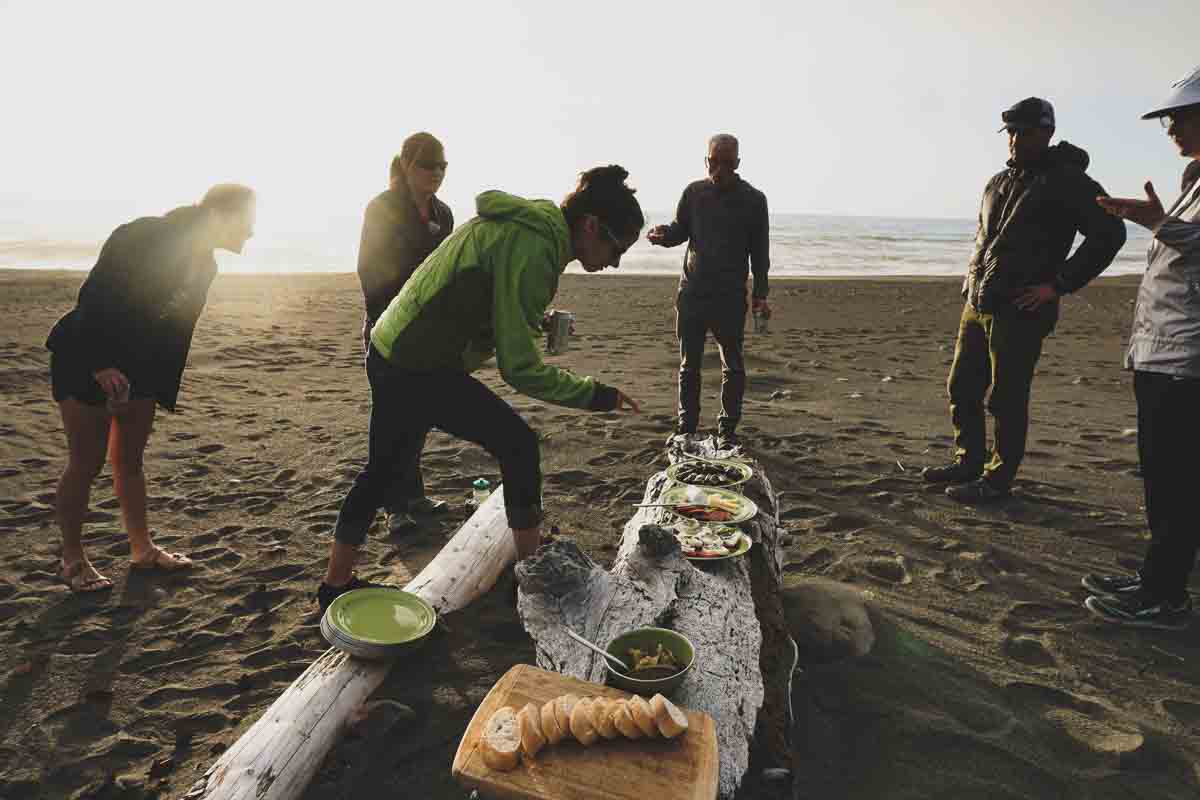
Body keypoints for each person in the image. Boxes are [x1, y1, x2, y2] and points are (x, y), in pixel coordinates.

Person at [317, 165, 643, 611]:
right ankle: (532, 578)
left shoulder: (531, 226)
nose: (616, 261)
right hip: (418, 363)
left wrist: (533, 319)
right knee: (519, 445)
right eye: (616, 247)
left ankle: (334, 586)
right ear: (589, 225)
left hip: (394, 345)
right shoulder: (537, 245)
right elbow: (520, 368)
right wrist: (595, 394)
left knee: (383, 470)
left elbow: (484, 291)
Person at [46, 184, 256, 592]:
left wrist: (155, 388)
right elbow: (94, 299)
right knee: (86, 463)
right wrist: (101, 365)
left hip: (139, 367)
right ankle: (72, 560)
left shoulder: (205, 264)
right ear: (220, 215)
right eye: (248, 221)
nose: (251, 233)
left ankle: (142, 551)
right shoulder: (143, 234)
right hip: (85, 355)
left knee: (130, 461)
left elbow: (175, 332)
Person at [922, 98, 1126, 503]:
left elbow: (1110, 234)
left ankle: (997, 481)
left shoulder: (1069, 182)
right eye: (1011, 132)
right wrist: (971, 281)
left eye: (1026, 131)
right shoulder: (997, 181)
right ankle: (969, 462)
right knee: (961, 386)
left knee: (1006, 397)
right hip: (979, 303)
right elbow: (986, 239)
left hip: (1022, 309)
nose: (1016, 139)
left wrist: (1059, 284)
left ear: (1048, 132)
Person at [1083, 65, 1200, 630]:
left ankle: (1166, 596)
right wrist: (1155, 220)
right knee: (1163, 478)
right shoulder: (1194, 181)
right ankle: (1157, 579)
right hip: (1164, 354)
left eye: (1181, 116)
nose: (1172, 127)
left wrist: (1163, 225)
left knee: (1176, 482)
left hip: (1186, 361)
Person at [355, 133, 455, 535]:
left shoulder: (444, 213)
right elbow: (370, 268)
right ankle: (393, 505)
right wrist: (390, 316)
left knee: (417, 415)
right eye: (429, 164)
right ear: (407, 165)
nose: (436, 173)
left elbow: (448, 266)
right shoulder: (382, 207)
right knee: (389, 419)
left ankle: (414, 494)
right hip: (388, 325)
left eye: (443, 166)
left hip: (429, 331)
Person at [647, 133, 770, 449]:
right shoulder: (694, 193)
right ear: (707, 161)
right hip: (692, 293)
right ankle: (686, 427)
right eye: (714, 162)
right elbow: (681, 231)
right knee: (690, 365)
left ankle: (727, 430)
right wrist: (663, 236)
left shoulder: (755, 200)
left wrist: (761, 294)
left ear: (738, 163)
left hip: (729, 297)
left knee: (733, 364)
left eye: (727, 163)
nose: (720, 169)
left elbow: (760, 253)